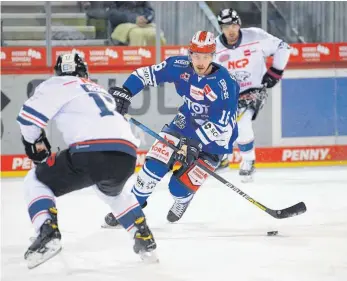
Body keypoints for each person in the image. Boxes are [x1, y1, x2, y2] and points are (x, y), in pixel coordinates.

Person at [16, 53, 157, 269]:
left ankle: (47, 232)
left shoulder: (56, 83)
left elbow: (28, 118)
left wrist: (35, 143)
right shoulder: (99, 90)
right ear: (84, 72)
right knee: (112, 193)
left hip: (91, 152)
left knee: (36, 180)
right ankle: (142, 235)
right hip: (126, 156)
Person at [102, 30, 240, 228]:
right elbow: (145, 74)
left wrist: (196, 143)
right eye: (196, 56)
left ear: (213, 56)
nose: (200, 62)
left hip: (214, 141)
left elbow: (224, 124)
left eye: (206, 56)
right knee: (153, 167)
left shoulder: (226, 83)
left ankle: (184, 199)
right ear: (190, 54)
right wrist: (126, 91)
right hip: (185, 125)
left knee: (178, 188)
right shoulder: (179, 66)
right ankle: (131, 208)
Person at [214, 8, 291, 182]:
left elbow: (283, 47)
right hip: (229, 95)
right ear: (221, 28)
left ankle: (248, 161)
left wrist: (276, 71)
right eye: (226, 26)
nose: (230, 30)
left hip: (254, 90)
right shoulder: (214, 48)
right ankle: (222, 157)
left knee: (241, 120)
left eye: (233, 25)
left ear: (239, 23)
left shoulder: (255, 36)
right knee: (215, 122)